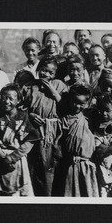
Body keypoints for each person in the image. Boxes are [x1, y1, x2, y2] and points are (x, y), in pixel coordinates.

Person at [22, 58, 68, 196]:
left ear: (54, 74)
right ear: (38, 70)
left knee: (51, 166)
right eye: (43, 70)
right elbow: (21, 109)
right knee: (35, 165)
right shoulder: (30, 86)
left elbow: (66, 107)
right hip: (34, 130)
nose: (46, 74)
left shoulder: (59, 85)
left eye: (50, 72)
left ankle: (51, 197)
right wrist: (29, 115)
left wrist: (52, 90)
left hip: (54, 132)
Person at [0, 83, 40, 196]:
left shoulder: (24, 117)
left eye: (11, 99)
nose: (7, 101)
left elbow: (30, 141)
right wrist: (2, 155)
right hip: (0, 157)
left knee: (18, 193)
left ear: (18, 100)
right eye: (4, 98)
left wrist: (11, 158)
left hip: (17, 159)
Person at [56, 85, 99, 197]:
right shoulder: (65, 119)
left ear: (87, 103)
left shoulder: (89, 119)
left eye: (81, 103)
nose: (77, 106)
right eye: (74, 102)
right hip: (69, 164)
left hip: (86, 165)